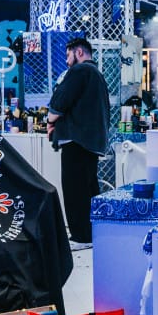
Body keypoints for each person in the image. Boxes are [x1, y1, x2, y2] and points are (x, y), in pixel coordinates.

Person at [48, 37, 110, 250]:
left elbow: (60, 101)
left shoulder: (80, 71)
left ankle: (81, 237)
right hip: (90, 141)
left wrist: (50, 120)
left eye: (68, 55)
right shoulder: (96, 74)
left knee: (75, 190)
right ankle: (91, 233)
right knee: (88, 188)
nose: (66, 61)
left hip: (77, 140)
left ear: (79, 52)